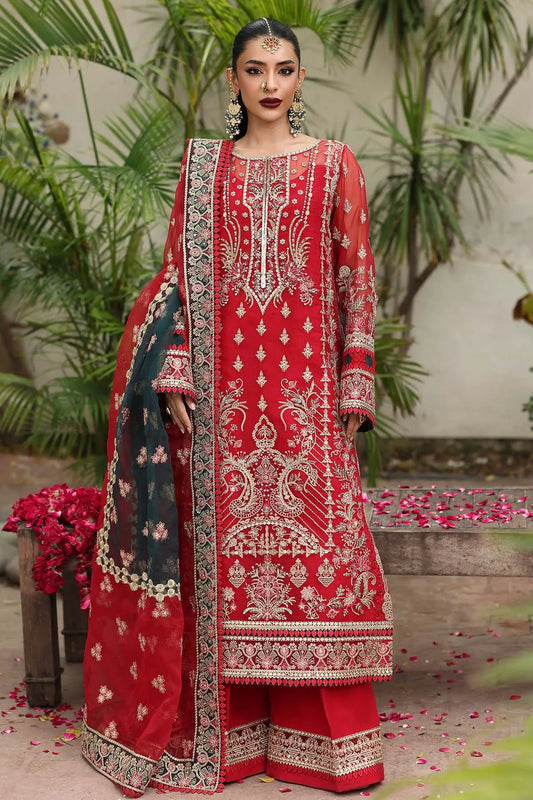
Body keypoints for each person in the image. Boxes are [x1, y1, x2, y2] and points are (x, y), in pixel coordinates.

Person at [81, 17, 393, 797]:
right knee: (222, 565)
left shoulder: (332, 165)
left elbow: (357, 277)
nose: (269, 85)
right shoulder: (203, 170)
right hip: (217, 403)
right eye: (254, 70)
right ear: (232, 80)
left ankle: (320, 747)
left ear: (299, 79)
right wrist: (176, 369)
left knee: (318, 555)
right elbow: (176, 273)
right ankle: (232, 745)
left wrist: (357, 378)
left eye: (284, 69)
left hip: (306, 396)